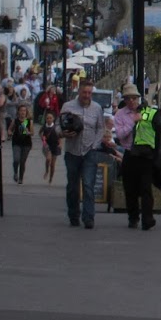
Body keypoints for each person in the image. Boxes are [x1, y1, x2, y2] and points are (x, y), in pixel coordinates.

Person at [59, 80, 106, 229]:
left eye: (89, 93)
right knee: (73, 186)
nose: (87, 95)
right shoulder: (68, 106)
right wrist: (64, 134)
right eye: (84, 92)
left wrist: (95, 145)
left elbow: (100, 128)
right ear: (79, 92)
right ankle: (73, 214)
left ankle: (88, 217)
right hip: (72, 151)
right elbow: (57, 126)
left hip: (89, 151)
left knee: (88, 184)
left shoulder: (97, 108)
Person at [121, 90, 161, 231]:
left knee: (140, 189)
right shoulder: (130, 114)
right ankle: (140, 218)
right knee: (137, 189)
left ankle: (141, 218)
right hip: (137, 155)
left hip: (144, 156)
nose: (132, 102)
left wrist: (160, 159)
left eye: (134, 99)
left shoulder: (149, 114)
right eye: (129, 99)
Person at [10, 106, 34, 184]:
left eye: (24, 110)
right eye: (21, 110)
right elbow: (10, 129)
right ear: (18, 112)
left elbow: (32, 133)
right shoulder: (15, 121)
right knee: (16, 159)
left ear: (26, 112)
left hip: (26, 144)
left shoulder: (29, 121)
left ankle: (21, 178)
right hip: (16, 142)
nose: (23, 112)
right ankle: (15, 172)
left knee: (22, 161)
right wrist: (9, 132)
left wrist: (28, 133)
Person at [39, 111, 61, 185]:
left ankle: (51, 178)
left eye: (50, 118)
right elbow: (40, 133)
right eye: (47, 118)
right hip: (47, 145)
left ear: (53, 119)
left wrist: (60, 143)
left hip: (55, 145)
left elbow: (60, 136)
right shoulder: (44, 126)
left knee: (53, 164)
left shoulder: (56, 127)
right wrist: (42, 138)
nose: (49, 119)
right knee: (48, 159)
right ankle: (46, 171)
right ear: (45, 119)